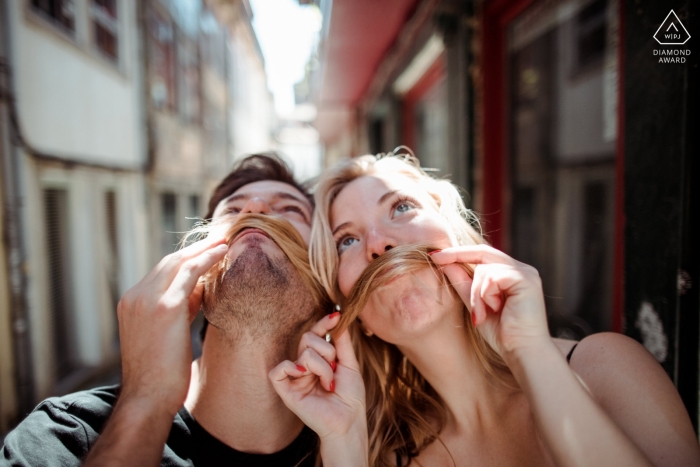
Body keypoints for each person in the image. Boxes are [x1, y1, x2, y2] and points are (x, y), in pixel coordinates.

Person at [276, 151, 700, 466]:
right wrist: (345, 441)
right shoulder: (387, 456)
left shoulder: (605, 368)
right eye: (346, 240)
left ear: (455, 235)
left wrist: (529, 352)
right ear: (355, 317)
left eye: (401, 207)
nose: (378, 243)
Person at [1, 153, 365, 467]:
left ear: (326, 271)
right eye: (233, 209)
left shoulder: (366, 441)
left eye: (289, 209)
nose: (255, 210)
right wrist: (146, 399)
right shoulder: (65, 437)